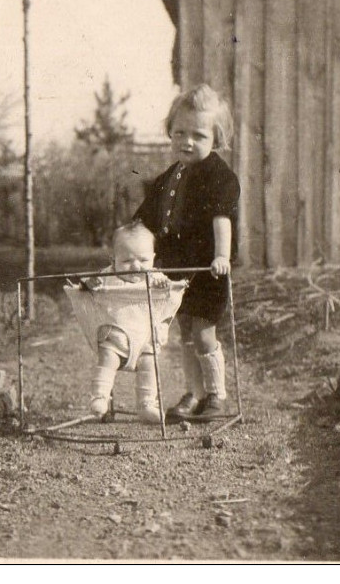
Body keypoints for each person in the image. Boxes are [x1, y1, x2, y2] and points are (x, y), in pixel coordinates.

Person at [133, 84, 240, 422]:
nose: (187, 141)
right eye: (180, 132)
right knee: (184, 334)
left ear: (216, 138)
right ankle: (193, 393)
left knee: (203, 333)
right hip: (176, 271)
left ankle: (215, 393)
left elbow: (222, 219)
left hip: (208, 269)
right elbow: (146, 220)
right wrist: (132, 248)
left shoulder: (219, 176)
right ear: (170, 132)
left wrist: (222, 256)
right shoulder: (168, 177)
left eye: (198, 135)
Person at [77, 222, 174, 423]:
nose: (136, 266)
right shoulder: (108, 275)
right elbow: (87, 284)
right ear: (114, 260)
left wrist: (163, 285)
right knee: (107, 358)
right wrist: (88, 284)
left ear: (153, 258)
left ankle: (147, 404)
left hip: (144, 340)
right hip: (117, 338)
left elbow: (168, 292)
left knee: (150, 363)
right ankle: (100, 397)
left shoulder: (154, 276)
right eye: (127, 260)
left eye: (143, 259)